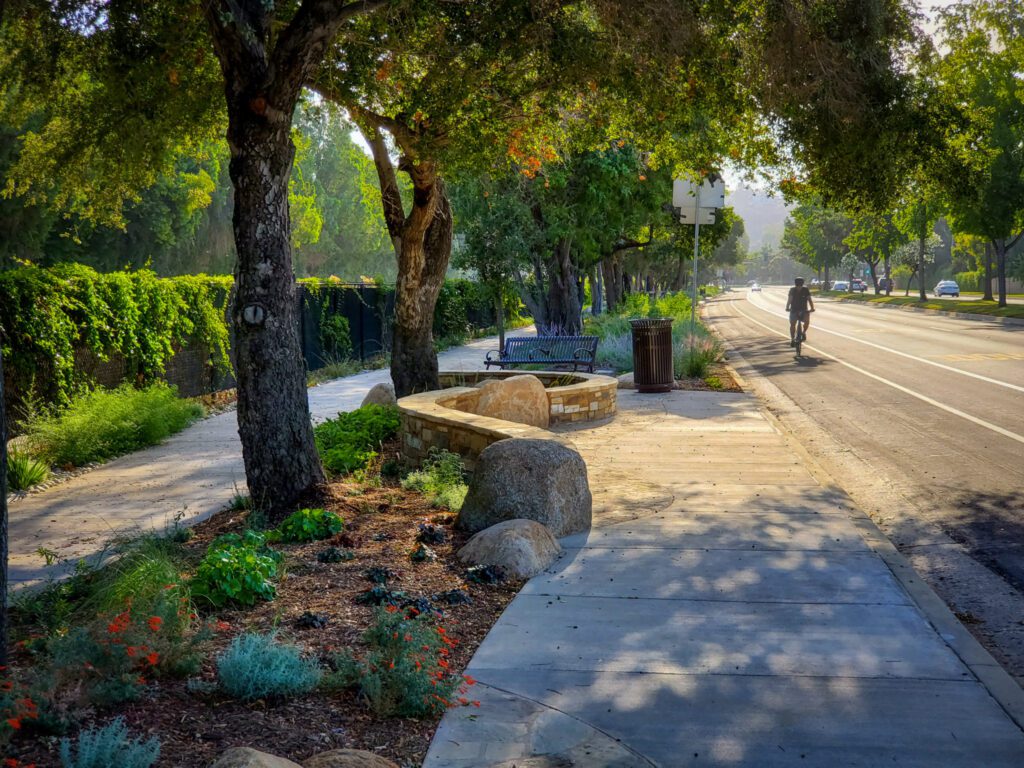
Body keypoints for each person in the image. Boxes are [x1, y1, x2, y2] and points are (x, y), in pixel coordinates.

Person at [786, 276, 814, 346]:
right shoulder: (794, 290)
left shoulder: (805, 290)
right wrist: (812, 308)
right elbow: (809, 300)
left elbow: (789, 300)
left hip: (800, 310)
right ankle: (796, 337)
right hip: (797, 310)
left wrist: (787, 308)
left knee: (793, 324)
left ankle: (796, 337)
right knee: (805, 322)